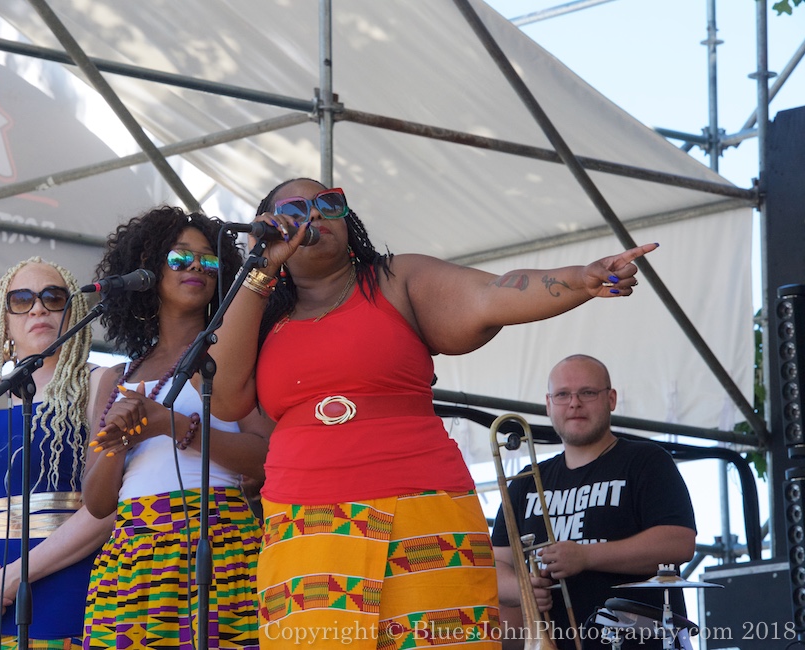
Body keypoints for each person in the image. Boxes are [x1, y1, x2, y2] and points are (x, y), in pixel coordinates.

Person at [206, 177, 658, 649]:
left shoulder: (395, 280)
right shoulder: (259, 312)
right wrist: (260, 270)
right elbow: (224, 396)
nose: (316, 214)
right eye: (297, 209)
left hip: (421, 508)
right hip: (304, 522)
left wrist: (581, 279)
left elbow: (494, 293)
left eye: (328, 203)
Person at [81, 206, 270, 649]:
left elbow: (267, 456)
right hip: (133, 557)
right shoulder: (115, 378)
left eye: (209, 260)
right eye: (180, 257)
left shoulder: (231, 355)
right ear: (146, 270)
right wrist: (119, 439)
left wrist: (172, 425)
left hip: (220, 544)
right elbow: (97, 501)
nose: (197, 269)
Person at [0, 257, 114, 650]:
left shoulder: (99, 384)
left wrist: (16, 576)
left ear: (73, 312)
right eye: (21, 300)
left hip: (65, 600)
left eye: (53, 297)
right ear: (6, 320)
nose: (38, 308)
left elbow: (109, 506)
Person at [490, 354, 697, 650]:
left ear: (611, 399)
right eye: (562, 395)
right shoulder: (525, 482)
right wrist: (523, 589)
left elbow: (679, 543)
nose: (574, 403)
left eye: (587, 392)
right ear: (548, 404)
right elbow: (495, 565)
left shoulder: (647, 461)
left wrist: (586, 557)